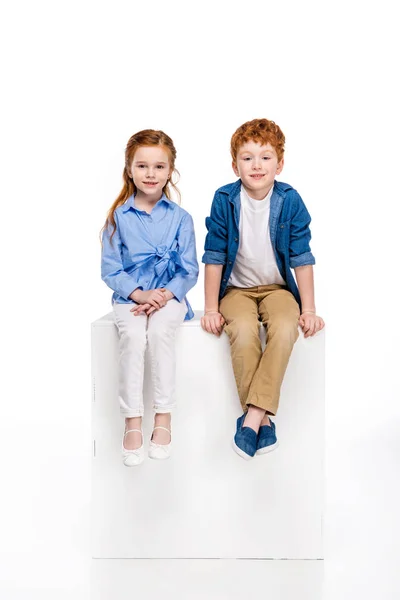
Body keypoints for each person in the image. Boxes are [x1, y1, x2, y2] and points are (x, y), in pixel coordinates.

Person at [201, 118, 324, 460]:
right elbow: (212, 256)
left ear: (279, 164)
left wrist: (310, 309)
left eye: (265, 157)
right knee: (241, 329)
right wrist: (211, 308)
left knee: (286, 327)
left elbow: (302, 256)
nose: (256, 165)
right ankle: (264, 421)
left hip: (278, 289)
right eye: (247, 157)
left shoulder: (290, 200)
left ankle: (253, 416)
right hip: (236, 290)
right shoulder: (224, 199)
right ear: (234, 164)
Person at [101, 129, 198, 466]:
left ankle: (163, 416)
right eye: (142, 166)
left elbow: (189, 269)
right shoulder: (119, 217)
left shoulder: (180, 219)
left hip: (170, 297)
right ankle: (131, 421)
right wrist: (140, 293)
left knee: (159, 333)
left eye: (159, 167)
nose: (151, 174)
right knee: (131, 335)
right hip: (131, 297)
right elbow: (111, 269)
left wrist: (163, 296)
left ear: (170, 171)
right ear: (129, 169)